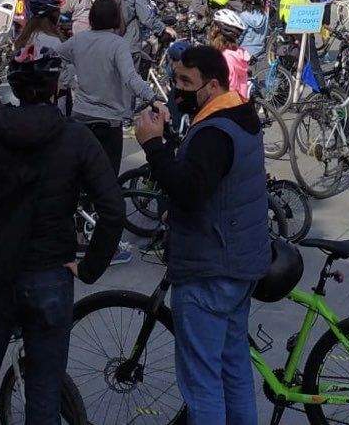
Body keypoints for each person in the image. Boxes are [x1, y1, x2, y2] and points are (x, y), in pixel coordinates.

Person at [0, 49, 123, 425]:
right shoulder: (76, 138)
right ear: (56, 87)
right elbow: (112, 209)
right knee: (44, 395)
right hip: (49, 273)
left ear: (12, 86)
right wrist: (90, 267)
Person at [135, 43, 270, 425]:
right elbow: (208, 174)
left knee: (203, 383)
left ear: (210, 86)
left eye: (184, 81)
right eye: (174, 78)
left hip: (210, 268)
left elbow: (188, 190)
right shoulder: (236, 115)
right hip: (238, 263)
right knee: (234, 370)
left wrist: (153, 146)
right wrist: (173, 143)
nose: (176, 89)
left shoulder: (214, 131)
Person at [57, 0, 158, 181]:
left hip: (81, 116)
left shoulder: (78, 40)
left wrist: (69, 79)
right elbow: (131, 78)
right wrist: (152, 98)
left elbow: (56, 56)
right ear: (116, 18)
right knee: (108, 181)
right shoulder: (118, 44)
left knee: (80, 175)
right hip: (109, 121)